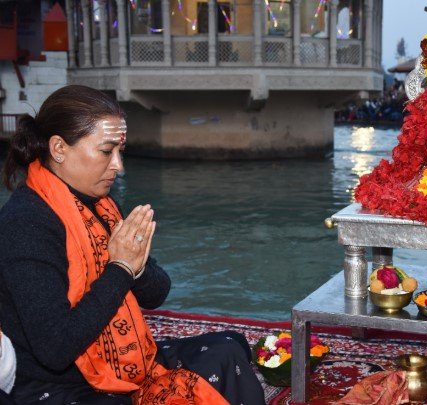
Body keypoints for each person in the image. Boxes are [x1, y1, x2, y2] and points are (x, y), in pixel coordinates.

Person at [0, 85, 265, 404]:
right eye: (106, 151)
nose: (118, 166)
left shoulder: (102, 206)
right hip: (54, 384)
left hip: (119, 363)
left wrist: (135, 267)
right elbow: (56, 349)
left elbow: (157, 293)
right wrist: (121, 268)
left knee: (229, 348)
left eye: (120, 151)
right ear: (59, 148)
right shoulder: (26, 222)